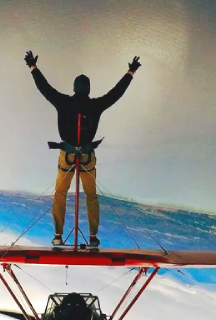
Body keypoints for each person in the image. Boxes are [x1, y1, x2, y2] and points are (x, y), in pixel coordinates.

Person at [24, 50, 141, 248]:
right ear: (88, 90)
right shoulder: (96, 105)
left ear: (74, 88)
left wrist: (33, 67)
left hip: (67, 155)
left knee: (60, 193)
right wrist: (130, 72)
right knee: (91, 195)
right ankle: (93, 236)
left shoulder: (62, 102)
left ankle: (58, 235)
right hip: (87, 155)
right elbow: (116, 93)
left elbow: (44, 88)